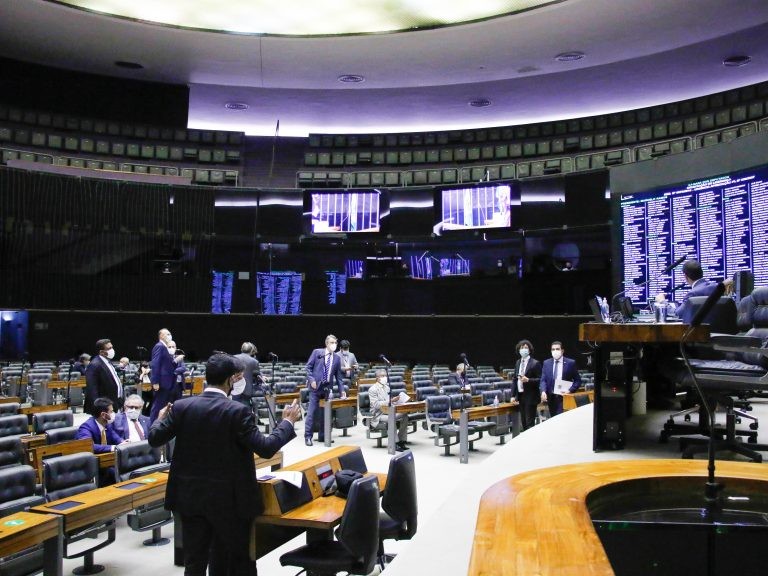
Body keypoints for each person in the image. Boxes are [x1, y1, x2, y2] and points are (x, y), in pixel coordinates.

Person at [148, 353, 300, 576]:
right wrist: (287, 422)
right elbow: (266, 448)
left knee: (194, 562)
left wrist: (160, 419)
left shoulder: (182, 407)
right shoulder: (238, 411)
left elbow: (154, 438)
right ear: (230, 380)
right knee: (229, 562)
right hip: (230, 502)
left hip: (191, 498)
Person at [304, 334, 345, 446]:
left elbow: (339, 377)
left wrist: (342, 391)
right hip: (315, 387)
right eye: (332, 343)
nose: (334, 345)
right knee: (312, 413)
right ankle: (308, 437)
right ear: (327, 343)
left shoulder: (337, 358)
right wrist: (312, 380)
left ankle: (323, 436)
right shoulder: (317, 352)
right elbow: (308, 368)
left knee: (325, 414)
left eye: (335, 343)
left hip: (327, 389)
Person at [369, 368, 408, 451]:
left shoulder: (387, 387)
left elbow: (389, 402)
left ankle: (402, 440)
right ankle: (395, 443)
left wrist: (396, 400)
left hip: (388, 411)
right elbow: (375, 405)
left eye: (385, 376)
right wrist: (390, 401)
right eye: (382, 376)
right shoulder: (372, 389)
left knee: (404, 414)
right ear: (377, 378)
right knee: (391, 418)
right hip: (378, 414)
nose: (385, 377)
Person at [149, 328, 183, 423]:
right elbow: (155, 364)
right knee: (158, 406)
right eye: (167, 334)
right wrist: (155, 381)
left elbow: (168, 366)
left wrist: (176, 360)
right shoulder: (159, 346)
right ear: (161, 336)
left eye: (170, 334)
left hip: (167, 383)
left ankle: (160, 425)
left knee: (163, 406)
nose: (169, 336)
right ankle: (152, 426)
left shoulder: (165, 347)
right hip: (161, 383)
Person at [540, 341, 582, 417]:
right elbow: (543, 380)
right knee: (553, 419)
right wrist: (543, 391)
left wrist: (570, 390)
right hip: (551, 397)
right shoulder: (546, 363)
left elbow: (578, 381)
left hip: (564, 397)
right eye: (553, 349)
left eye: (557, 349)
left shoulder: (570, 363)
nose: (555, 351)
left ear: (562, 351)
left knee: (560, 417)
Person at [84, 339, 124, 413]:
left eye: (112, 347)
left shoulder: (107, 361)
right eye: (109, 348)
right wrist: (98, 407)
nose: (112, 350)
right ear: (101, 352)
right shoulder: (95, 365)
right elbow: (92, 388)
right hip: (104, 406)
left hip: (115, 402)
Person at [511, 340, 541, 431]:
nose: (523, 349)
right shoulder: (518, 362)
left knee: (529, 423)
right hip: (520, 395)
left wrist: (528, 380)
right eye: (522, 348)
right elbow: (515, 379)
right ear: (519, 350)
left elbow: (540, 380)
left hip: (531, 396)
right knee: (523, 422)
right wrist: (513, 395)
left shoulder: (535, 363)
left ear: (529, 350)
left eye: (526, 347)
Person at [233, 341, 261, 410]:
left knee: (234, 410)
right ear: (251, 350)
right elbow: (257, 376)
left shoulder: (233, 358)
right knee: (245, 412)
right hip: (246, 391)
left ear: (241, 349)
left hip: (234, 389)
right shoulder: (254, 361)